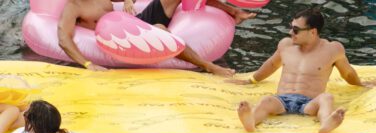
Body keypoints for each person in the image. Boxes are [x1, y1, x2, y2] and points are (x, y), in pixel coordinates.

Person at [233, 7, 376, 133]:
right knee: (266, 100)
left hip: (309, 103)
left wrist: (360, 84)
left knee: (326, 98)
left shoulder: (332, 50)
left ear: (313, 32)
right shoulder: (286, 45)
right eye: (291, 28)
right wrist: (251, 80)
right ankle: (251, 121)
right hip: (282, 100)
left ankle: (326, 123)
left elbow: (347, 72)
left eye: (296, 30)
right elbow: (271, 65)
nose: (291, 32)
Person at [58, 0, 254, 75]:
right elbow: (63, 38)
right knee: (161, 30)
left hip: (135, 22)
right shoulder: (73, 7)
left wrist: (127, 0)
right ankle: (209, 66)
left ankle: (233, 11)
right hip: (118, 38)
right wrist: (86, 64)